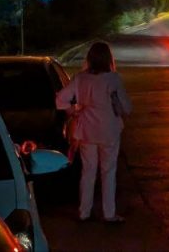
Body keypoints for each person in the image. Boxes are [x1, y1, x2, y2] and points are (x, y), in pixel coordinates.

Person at [56, 41, 133, 223]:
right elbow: (127, 107)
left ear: (89, 58)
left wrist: (74, 109)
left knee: (88, 171)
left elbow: (60, 100)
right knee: (108, 171)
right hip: (109, 130)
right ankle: (109, 213)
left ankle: (84, 212)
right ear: (109, 59)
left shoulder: (80, 78)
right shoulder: (113, 79)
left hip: (87, 131)